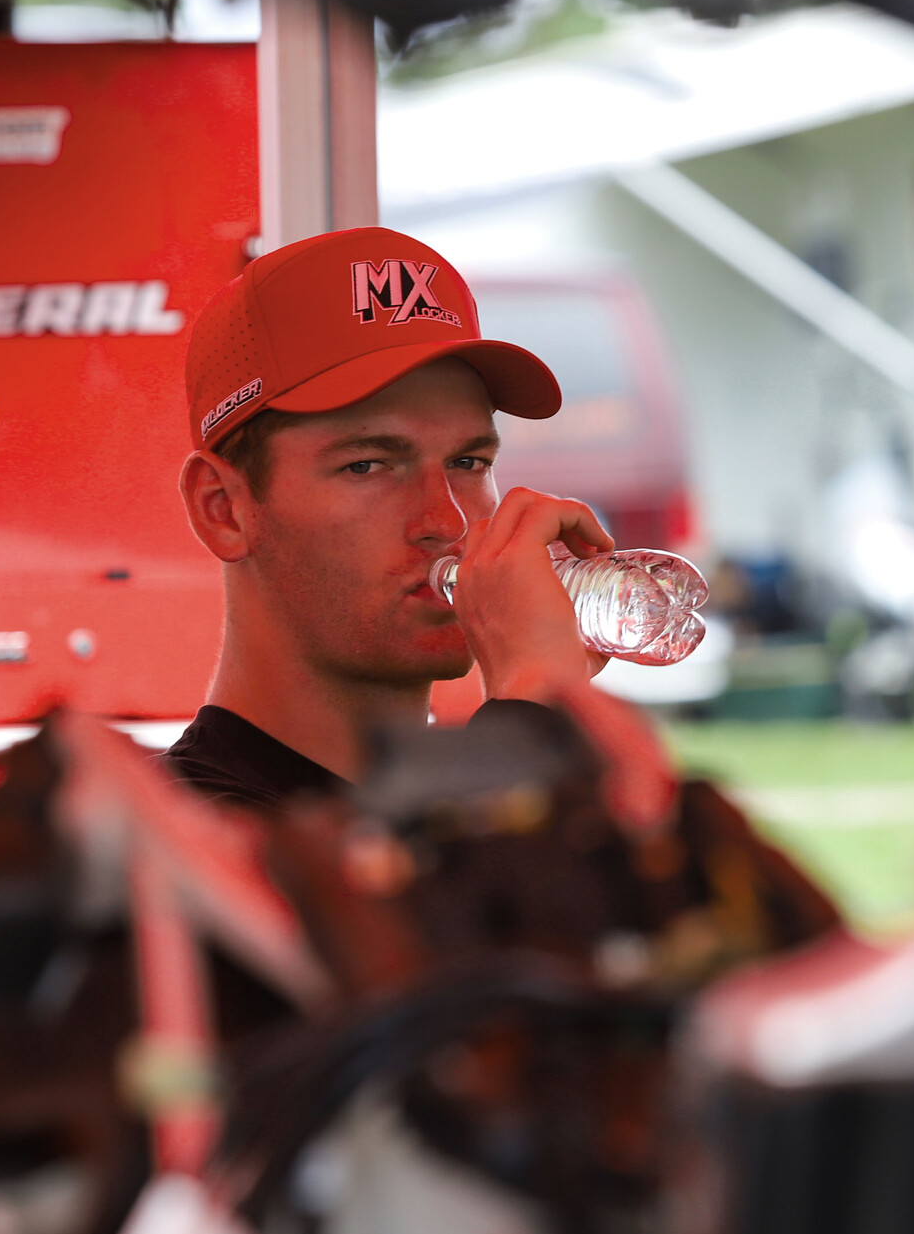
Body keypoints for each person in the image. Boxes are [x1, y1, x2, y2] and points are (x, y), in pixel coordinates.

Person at [164, 225, 669, 819]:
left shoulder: (440, 813)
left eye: (467, 462)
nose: (446, 519)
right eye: (368, 465)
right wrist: (532, 704)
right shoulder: (166, 833)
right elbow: (442, 901)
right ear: (223, 510)